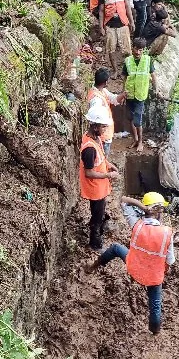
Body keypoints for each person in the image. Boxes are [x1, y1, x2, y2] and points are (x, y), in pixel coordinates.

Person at [85, 192, 174, 334]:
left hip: (134, 267)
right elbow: (170, 261)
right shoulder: (166, 233)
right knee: (155, 305)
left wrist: (142, 207)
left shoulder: (136, 225)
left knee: (115, 248)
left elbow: (123, 200)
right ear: (159, 212)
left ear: (146, 210)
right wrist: (163, 271)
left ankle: (92, 267)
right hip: (153, 277)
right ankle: (155, 331)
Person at [80, 102, 119, 249]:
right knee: (97, 216)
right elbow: (89, 172)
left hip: (100, 187)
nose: (105, 129)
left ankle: (98, 224)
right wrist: (108, 175)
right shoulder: (89, 149)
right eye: (103, 126)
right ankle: (95, 243)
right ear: (95, 126)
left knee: (99, 211)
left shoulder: (95, 138)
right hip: (95, 189)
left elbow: (100, 157)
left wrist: (108, 164)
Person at [89, 0, 135, 71]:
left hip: (123, 23)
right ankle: (115, 70)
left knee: (127, 49)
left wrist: (131, 22)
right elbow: (101, 11)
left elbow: (127, 6)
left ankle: (128, 70)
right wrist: (101, 27)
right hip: (109, 25)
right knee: (111, 49)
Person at [121, 38, 153, 151]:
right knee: (130, 118)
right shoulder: (128, 61)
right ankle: (135, 140)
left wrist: (157, 89)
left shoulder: (148, 60)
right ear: (132, 47)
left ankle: (140, 142)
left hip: (140, 95)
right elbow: (124, 77)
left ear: (143, 50)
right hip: (129, 95)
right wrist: (123, 93)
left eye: (141, 50)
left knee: (137, 121)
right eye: (136, 49)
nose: (138, 52)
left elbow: (153, 75)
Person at [86, 68, 118, 157]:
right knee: (102, 159)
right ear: (106, 82)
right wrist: (100, 134)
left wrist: (122, 95)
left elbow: (113, 98)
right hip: (103, 137)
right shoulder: (96, 99)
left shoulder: (101, 91)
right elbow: (96, 119)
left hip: (104, 135)